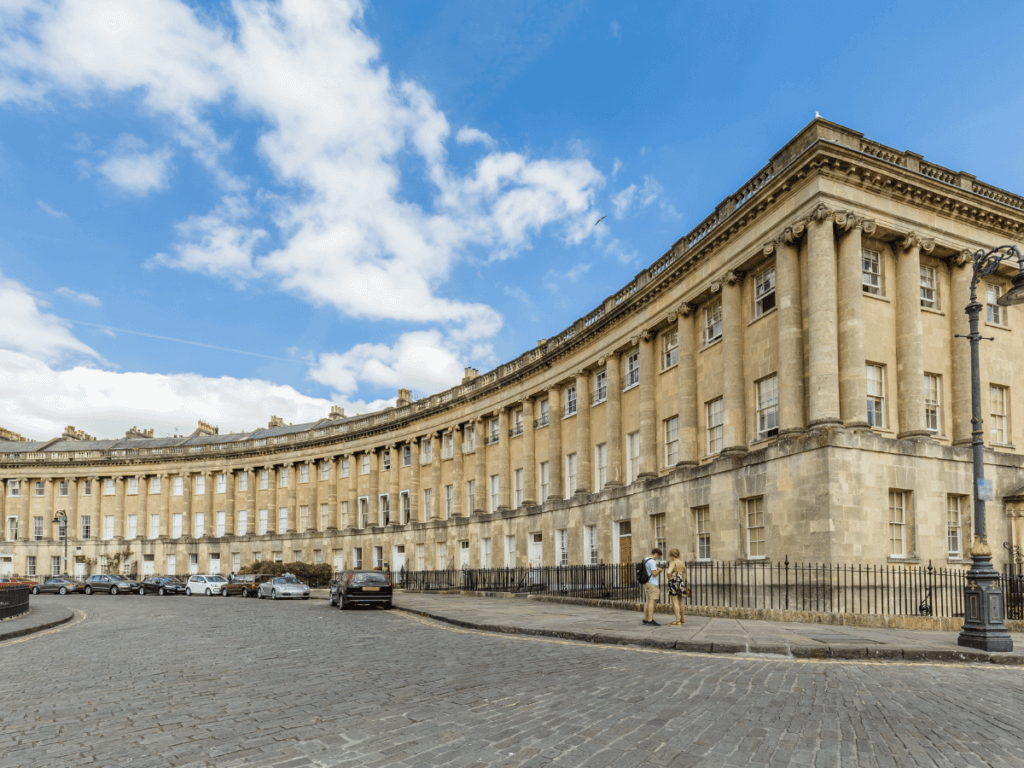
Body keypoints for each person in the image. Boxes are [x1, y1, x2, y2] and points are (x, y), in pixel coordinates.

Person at [665, 548, 688, 625]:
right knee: (680, 601)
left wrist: (670, 578)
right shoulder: (682, 563)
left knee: (675, 602)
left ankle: (677, 621)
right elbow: (685, 575)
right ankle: (682, 619)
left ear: (671, 555)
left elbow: (668, 572)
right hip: (681, 581)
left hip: (674, 580)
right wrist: (684, 583)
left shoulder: (673, 562)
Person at [641, 548, 662, 626]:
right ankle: (650, 620)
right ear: (656, 554)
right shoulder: (652, 561)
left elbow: (648, 570)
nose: (657, 558)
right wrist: (659, 570)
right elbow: (654, 574)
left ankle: (645, 619)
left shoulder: (645, 560)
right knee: (652, 601)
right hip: (652, 583)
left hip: (646, 582)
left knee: (648, 601)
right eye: (658, 556)